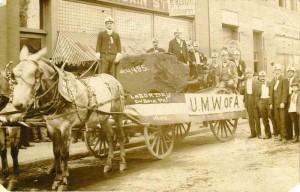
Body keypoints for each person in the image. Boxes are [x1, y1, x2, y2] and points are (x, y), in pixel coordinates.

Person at [269, 64, 289, 143]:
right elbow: (271, 93)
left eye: (278, 70)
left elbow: (285, 92)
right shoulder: (273, 81)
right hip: (274, 104)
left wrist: (283, 102)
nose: (276, 72)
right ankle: (280, 134)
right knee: (277, 120)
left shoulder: (284, 79)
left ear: (280, 71)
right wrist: (271, 103)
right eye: (275, 71)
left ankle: (284, 136)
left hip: (281, 103)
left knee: (283, 120)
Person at [255, 71, 275, 139]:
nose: (262, 78)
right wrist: (259, 103)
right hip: (262, 102)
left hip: (268, 101)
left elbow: (272, 93)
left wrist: (271, 102)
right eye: (261, 76)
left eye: (263, 76)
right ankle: (268, 134)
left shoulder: (269, 83)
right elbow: (256, 95)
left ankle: (276, 133)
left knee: (272, 117)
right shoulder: (258, 85)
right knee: (264, 119)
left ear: (266, 76)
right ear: (259, 77)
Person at [244, 68, 261, 139]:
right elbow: (245, 93)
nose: (248, 75)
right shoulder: (245, 82)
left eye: (249, 73)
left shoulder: (256, 81)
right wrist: (246, 103)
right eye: (247, 73)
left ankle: (259, 133)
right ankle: (253, 133)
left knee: (256, 118)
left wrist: (257, 102)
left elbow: (258, 93)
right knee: (250, 118)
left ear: (252, 74)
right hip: (248, 100)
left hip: (255, 100)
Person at [286, 66, 297, 140]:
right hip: (287, 100)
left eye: (291, 72)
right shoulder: (286, 80)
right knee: (288, 118)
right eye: (288, 72)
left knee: (295, 119)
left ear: (293, 73)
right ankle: (290, 135)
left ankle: (297, 135)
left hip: (295, 100)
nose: (290, 73)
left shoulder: (297, 80)